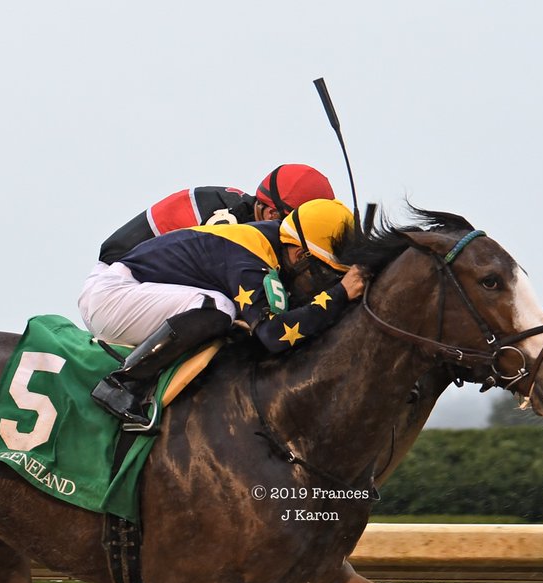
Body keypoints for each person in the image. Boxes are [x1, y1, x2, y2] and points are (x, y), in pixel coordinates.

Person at [84, 198, 369, 430]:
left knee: (227, 313)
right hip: (111, 297)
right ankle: (122, 384)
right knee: (220, 308)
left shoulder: (272, 244)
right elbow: (273, 335)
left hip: (133, 291)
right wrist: (339, 294)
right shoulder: (251, 257)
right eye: (321, 274)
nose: (320, 284)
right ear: (299, 254)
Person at [94, 163, 336, 266]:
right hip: (117, 273)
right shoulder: (227, 219)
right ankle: (131, 373)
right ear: (272, 213)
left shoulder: (250, 214)